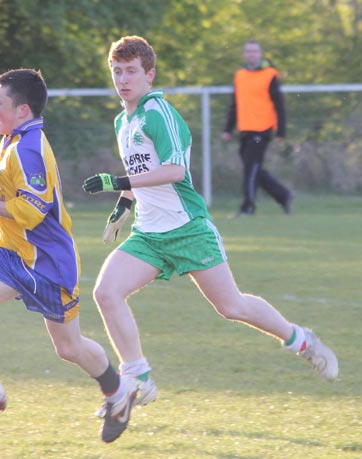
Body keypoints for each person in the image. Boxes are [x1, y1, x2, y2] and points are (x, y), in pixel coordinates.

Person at [82, 35, 338, 415]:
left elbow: (173, 170)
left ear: (149, 76)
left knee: (232, 306)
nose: (123, 79)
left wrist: (116, 183)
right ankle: (138, 376)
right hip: (149, 236)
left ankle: (301, 340)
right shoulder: (123, 120)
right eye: (117, 71)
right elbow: (142, 172)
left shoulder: (158, 113)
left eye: (132, 71)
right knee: (105, 292)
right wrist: (123, 206)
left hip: (188, 229)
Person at [0, 68, 136, 443]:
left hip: (48, 263)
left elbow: (32, 211)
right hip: (12, 253)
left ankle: (118, 392)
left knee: (69, 347)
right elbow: (9, 197)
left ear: (23, 110)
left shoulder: (28, 149)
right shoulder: (13, 137)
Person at [221, 40, 292, 216]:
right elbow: (235, 104)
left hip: (263, 129)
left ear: (260, 54)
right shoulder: (240, 75)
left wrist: (281, 131)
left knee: (250, 169)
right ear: (244, 54)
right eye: (248, 51)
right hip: (245, 129)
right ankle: (283, 195)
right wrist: (228, 129)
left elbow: (279, 104)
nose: (251, 54)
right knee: (253, 170)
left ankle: (248, 207)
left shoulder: (270, 75)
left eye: (254, 51)